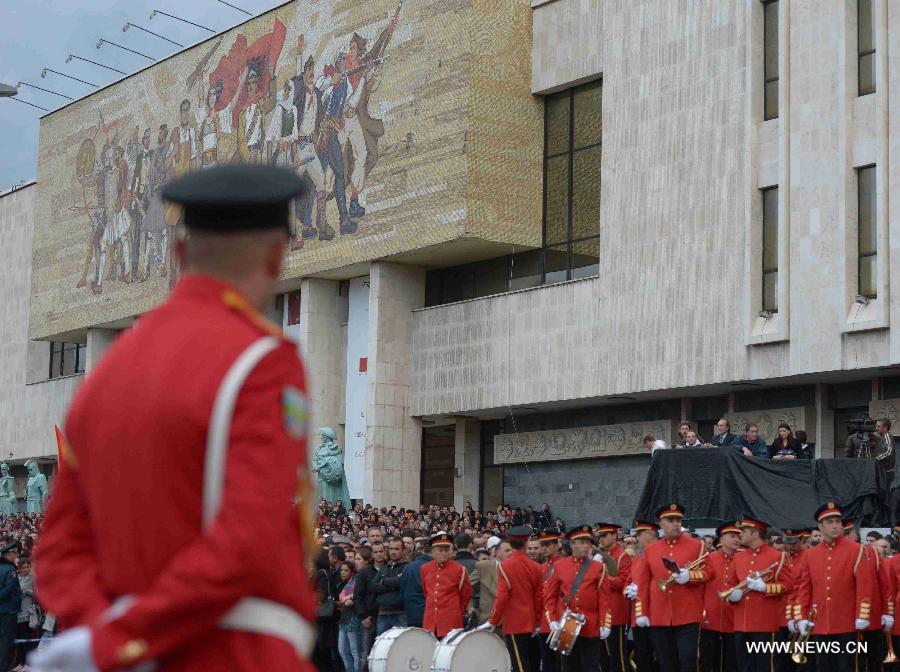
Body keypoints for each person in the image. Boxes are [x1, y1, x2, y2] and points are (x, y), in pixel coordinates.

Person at [31, 166, 317, 672]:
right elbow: (246, 542)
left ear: (180, 254)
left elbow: (59, 550)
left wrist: (107, 636)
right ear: (277, 256)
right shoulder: (265, 361)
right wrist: (129, 635)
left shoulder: (106, 374)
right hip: (233, 654)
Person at [794, 501, 874, 672]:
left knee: (848, 666)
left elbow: (864, 587)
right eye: (830, 522)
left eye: (838, 521)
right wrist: (801, 616)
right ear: (820, 526)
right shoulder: (810, 555)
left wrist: (862, 615)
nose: (836, 526)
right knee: (823, 666)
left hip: (847, 623)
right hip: (820, 623)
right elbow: (804, 589)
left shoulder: (857, 550)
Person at [632, 503, 712, 672]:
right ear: (661, 524)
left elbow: (709, 572)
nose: (676, 523)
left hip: (688, 614)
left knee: (688, 659)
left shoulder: (697, 546)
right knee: (667, 663)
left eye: (678, 519)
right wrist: (641, 612)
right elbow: (643, 583)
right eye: (670, 520)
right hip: (659, 615)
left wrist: (690, 576)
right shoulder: (651, 550)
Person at [725, 517, 792, 672]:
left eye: (743, 531)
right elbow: (730, 583)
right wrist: (732, 595)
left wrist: (765, 588)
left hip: (766, 623)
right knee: (745, 667)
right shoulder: (738, 557)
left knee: (765, 667)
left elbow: (788, 585)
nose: (740, 535)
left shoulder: (777, 556)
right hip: (741, 623)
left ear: (755, 533)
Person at [544, 525, 611, 671]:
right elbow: (550, 597)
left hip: (591, 625)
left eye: (588, 542)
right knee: (569, 666)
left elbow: (604, 598)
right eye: (583, 542)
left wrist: (604, 623)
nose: (587, 545)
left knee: (590, 666)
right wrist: (553, 620)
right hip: (567, 625)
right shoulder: (559, 566)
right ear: (573, 543)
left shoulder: (599, 568)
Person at [478, 526, 543, 672]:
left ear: (510, 543)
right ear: (526, 543)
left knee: (519, 663)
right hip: (531, 620)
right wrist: (538, 621)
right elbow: (539, 597)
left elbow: (502, 597)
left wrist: (493, 620)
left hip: (514, 622)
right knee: (532, 661)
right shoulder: (536, 566)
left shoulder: (505, 566)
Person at [700, 523, 740, 672]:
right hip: (710, 617)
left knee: (731, 662)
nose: (737, 539)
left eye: (738, 536)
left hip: (734, 618)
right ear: (721, 540)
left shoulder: (743, 559)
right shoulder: (709, 559)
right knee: (707, 661)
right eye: (732, 536)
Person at [420, 532, 472, 638]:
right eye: (440, 550)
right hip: (430, 621)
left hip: (450, 621)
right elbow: (426, 592)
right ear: (433, 551)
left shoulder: (459, 569)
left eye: (446, 550)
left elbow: (466, 595)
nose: (444, 553)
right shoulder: (425, 569)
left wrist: (456, 611)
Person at [595, 522, 631, 672]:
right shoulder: (602, 556)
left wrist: (600, 575)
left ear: (614, 535)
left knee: (618, 657)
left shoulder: (622, 556)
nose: (601, 539)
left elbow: (623, 582)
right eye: (599, 536)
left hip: (616, 613)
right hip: (601, 612)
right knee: (603, 658)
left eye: (604, 536)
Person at [624, 521, 659, 672]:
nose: (637, 539)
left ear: (650, 534)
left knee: (662, 656)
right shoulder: (637, 559)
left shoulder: (662, 555)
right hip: (638, 614)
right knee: (642, 655)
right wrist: (628, 590)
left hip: (657, 614)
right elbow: (628, 580)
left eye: (639, 535)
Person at [537, 530, 563, 672]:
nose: (544, 548)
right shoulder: (542, 568)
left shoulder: (564, 565)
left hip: (559, 621)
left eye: (547, 544)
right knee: (547, 663)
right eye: (543, 545)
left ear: (556, 545)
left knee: (561, 663)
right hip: (543, 622)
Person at [372, 537, 407, 634]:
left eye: (396, 549)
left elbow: (402, 582)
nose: (393, 552)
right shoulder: (384, 567)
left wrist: (383, 580)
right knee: (381, 647)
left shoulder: (407, 567)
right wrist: (393, 585)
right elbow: (374, 586)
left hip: (400, 614)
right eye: (391, 549)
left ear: (403, 550)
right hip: (383, 613)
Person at [336, 561, 362, 672]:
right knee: (342, 650)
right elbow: (341, 596)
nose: (343, 573)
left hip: (354, 619)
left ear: (352, 572)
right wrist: (346, 599)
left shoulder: (356, 581)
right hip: (344, 619)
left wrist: (348, 599)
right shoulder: (344, 584)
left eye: (346, 570)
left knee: (355, 651)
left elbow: (356, 594)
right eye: (342, 570)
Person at [400, 541, 431, 627]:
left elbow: (402, 592)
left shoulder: (408, 567)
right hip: (430, 615)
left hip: (411, 614)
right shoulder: (433, 567)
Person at [0, 541, 20, 672]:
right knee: (5, 642)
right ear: (9, 554)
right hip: (8, 611)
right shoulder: (11, 570)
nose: (15, 556)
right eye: (14, 554)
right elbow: (8, 589)